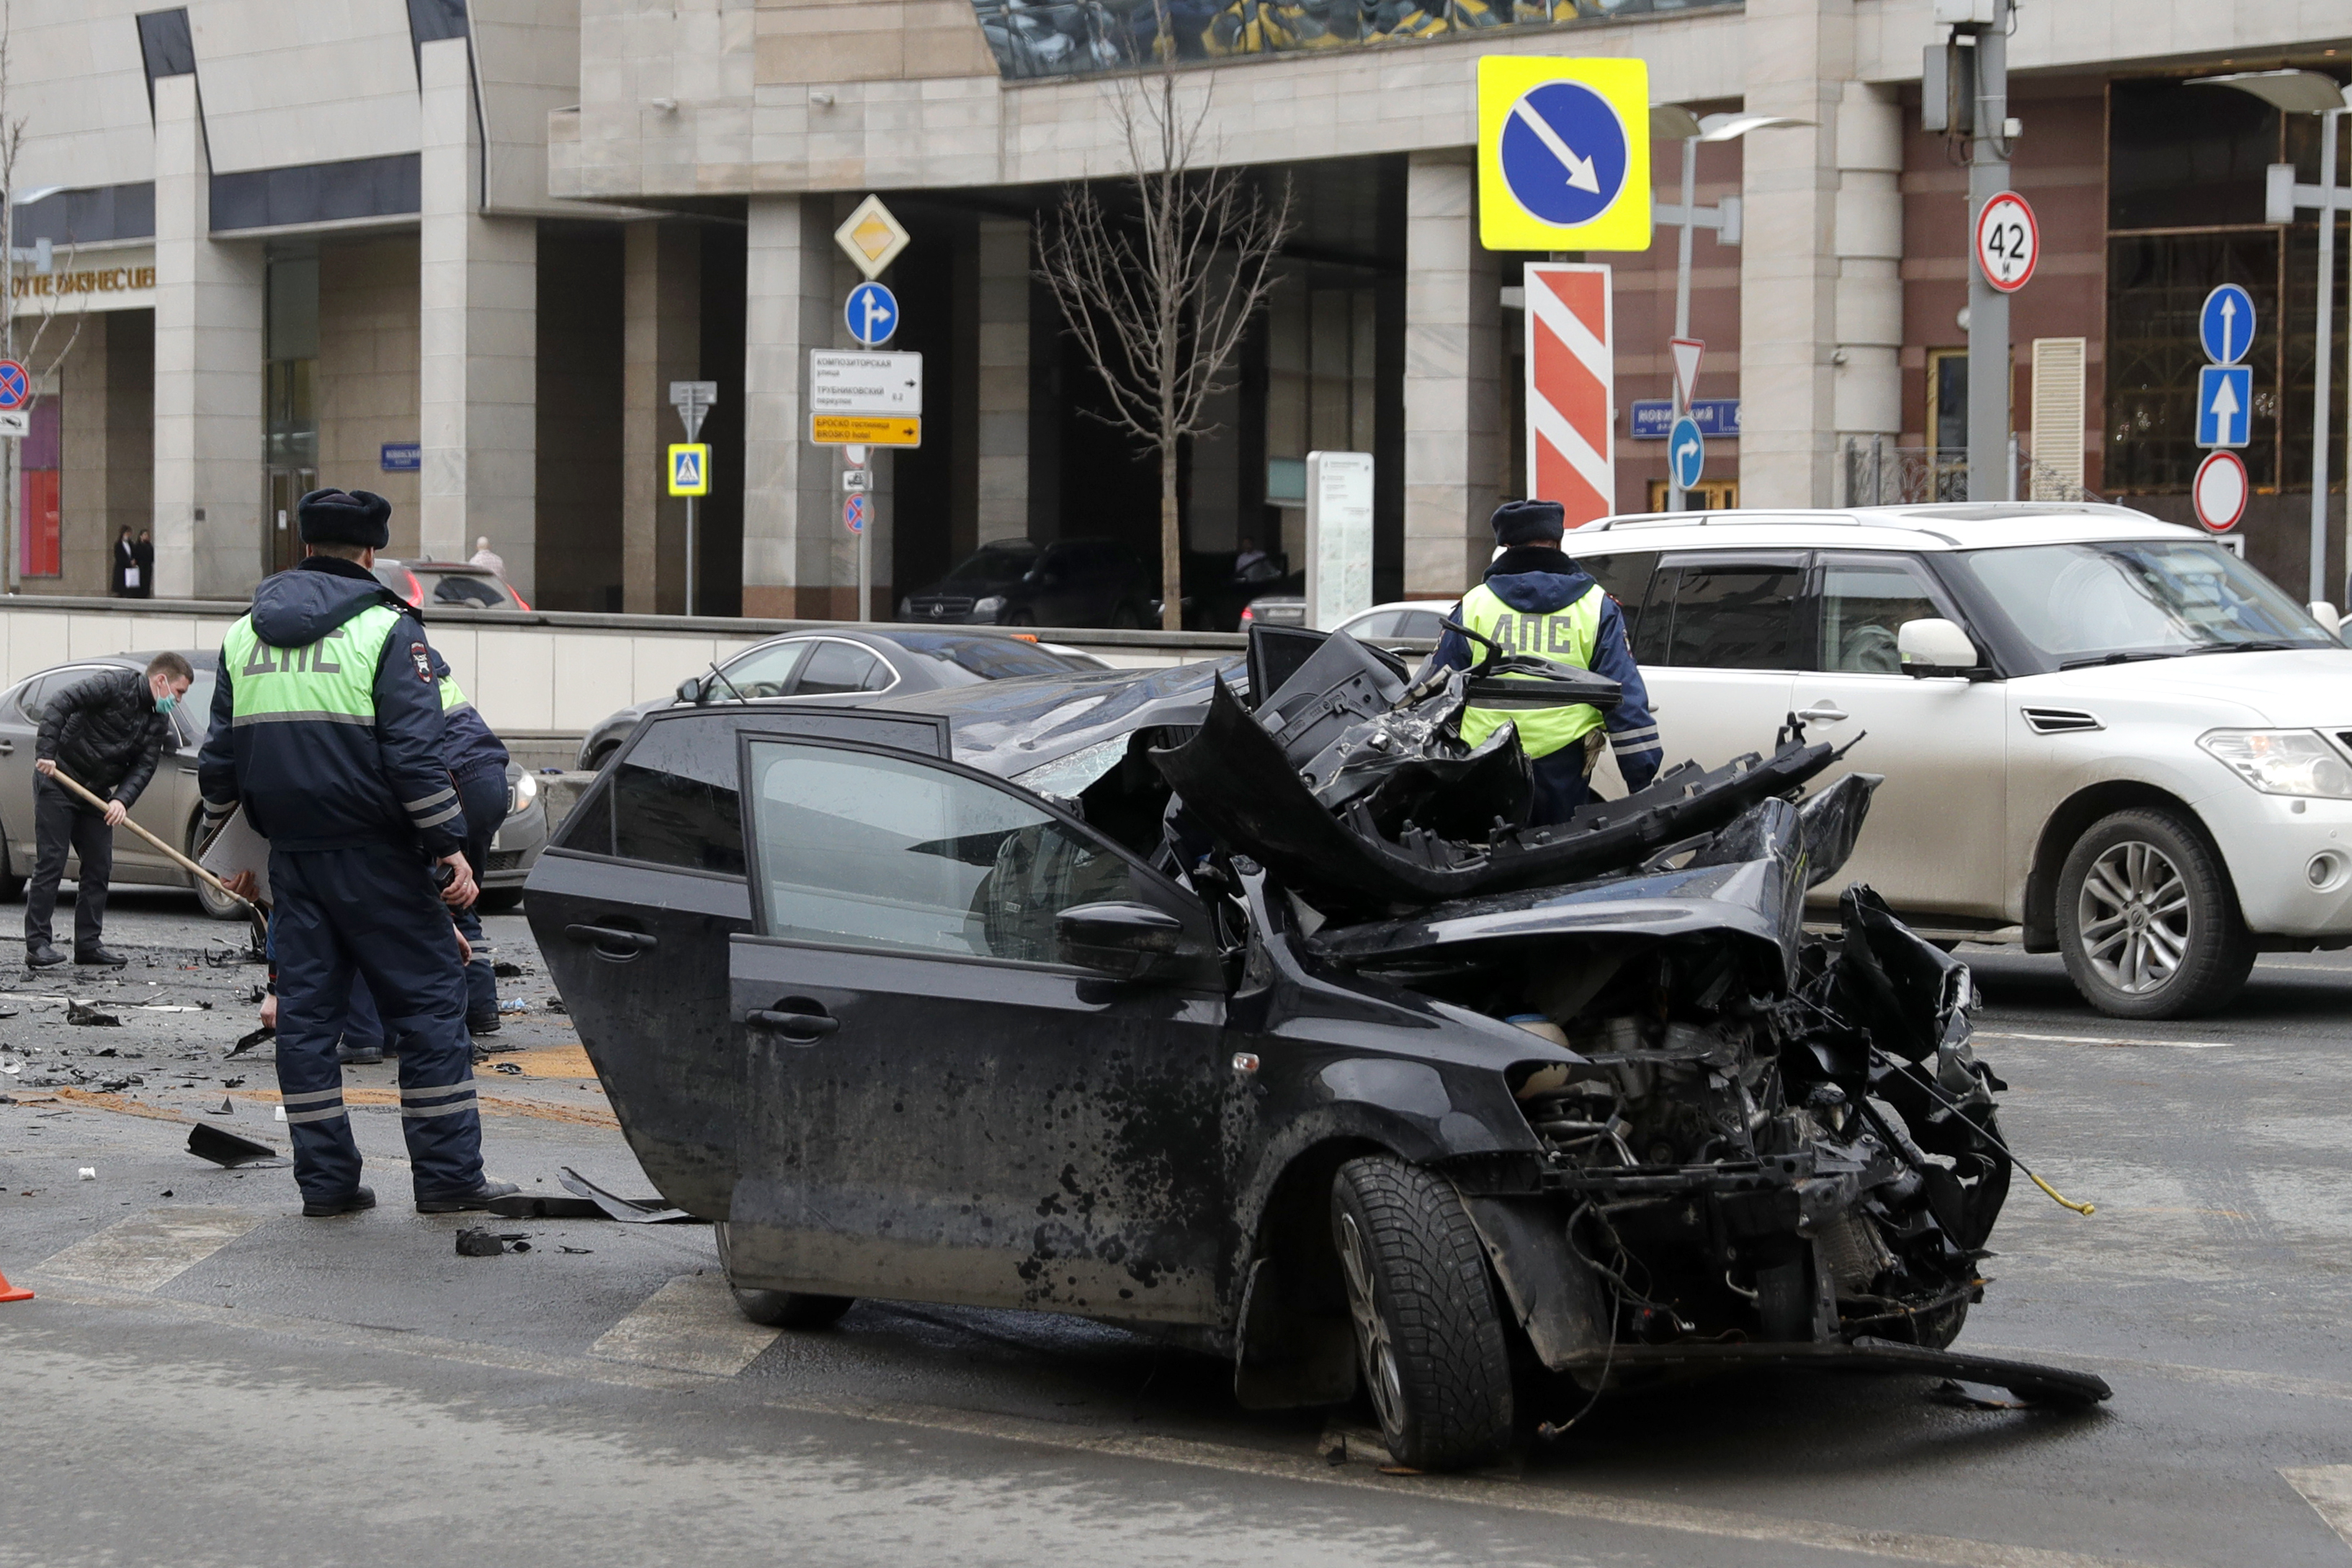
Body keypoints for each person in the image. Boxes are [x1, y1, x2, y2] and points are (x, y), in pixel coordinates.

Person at [197, 487, 514, 1219]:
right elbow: (414, 758)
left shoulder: (244, 634)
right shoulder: (388, 630)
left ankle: (329, 1185)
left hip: (295, 862)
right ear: (370, 552)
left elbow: (219, 766)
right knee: (435, 1005)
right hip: (379, 859)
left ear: (303, 545)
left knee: (307, 1026)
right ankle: (447, 1177)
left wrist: (228, 849)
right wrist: (448, 848)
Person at [1428, 498, 1663, 825]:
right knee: (1559, 862)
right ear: (1557, 542)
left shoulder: (1475, 605)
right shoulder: (1595, 606)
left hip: (1484, 762)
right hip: (1563, 766)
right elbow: (1623, 694)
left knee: (1487, 860)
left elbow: (1437, 690)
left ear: (1507, 547)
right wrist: (1642, 772)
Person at [337, 648, 510, 1064]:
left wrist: (440, 843)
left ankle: (382, 1032)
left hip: (446, 780)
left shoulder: (370, 664)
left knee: (388, 900)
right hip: (490, 776)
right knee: (458, 897)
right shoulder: (423, 665)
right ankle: (479, 1005)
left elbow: (405, 757)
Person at [26, 653, 194, 968]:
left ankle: (88, 945)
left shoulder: (157, 719)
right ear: (161, 681)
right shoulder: (114, 685)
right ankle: (37, 945)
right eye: (179, 692)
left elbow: (145, 766)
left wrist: (122, 800)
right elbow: (62, 701)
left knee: (99, 866)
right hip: (59, 780)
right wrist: (46, 752)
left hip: (96, 795)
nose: (179, 700)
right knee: (52, 862)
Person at [110, 527, 137, 597]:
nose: (128, 535)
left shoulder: (131, 544)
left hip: (129, 568)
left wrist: (134, 560)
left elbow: (134, 554)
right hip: (121, 568)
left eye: (129, 533)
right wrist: (128, 562)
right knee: (121, 586)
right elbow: (119, 557)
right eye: (127, 533)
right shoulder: (118, 545)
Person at [131, 530, 156, 599]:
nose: (147, 537)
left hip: (147, 567)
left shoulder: (149, 546)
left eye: (147, 535)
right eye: (145, 535)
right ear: (141, 536)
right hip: (140, 566)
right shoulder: (137, 546)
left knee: (147, 582)